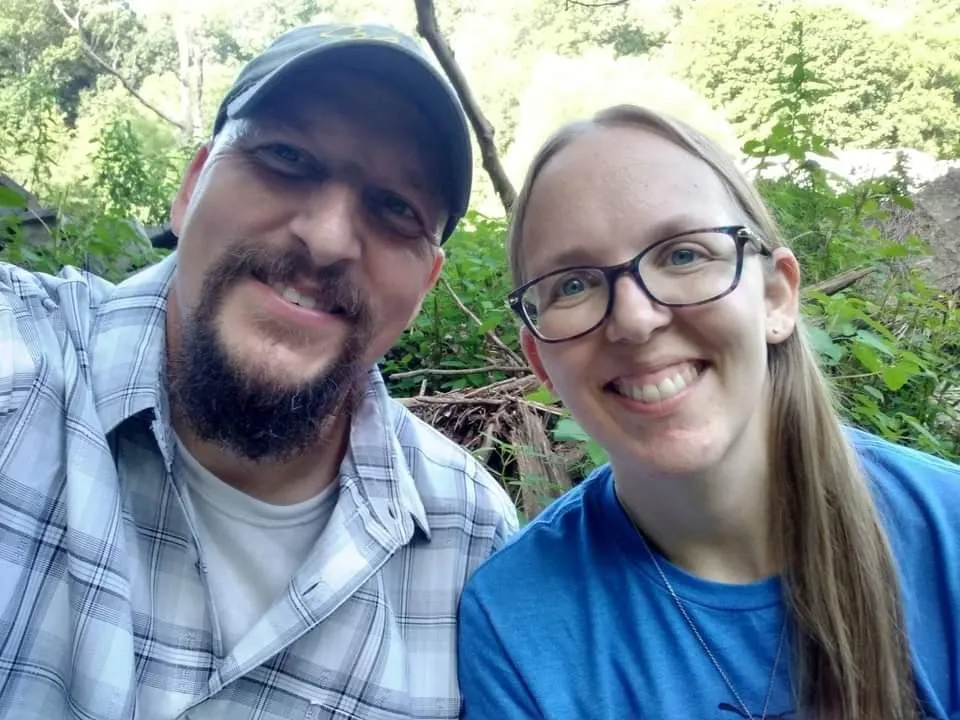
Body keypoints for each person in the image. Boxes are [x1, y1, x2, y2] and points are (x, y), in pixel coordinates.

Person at [0, 23, 518, 720]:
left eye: (396, 207)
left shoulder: (473, 541)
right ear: (191, 187)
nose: (327, 239)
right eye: (287, 157)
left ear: (426, 283)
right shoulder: (20, 366)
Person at [456, 104, 960, 720]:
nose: (635, 320)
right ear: (539, 359)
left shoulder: (947, 534)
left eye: (683, 255)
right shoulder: (516, 625)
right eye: (573, 284)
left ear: (776, 296)